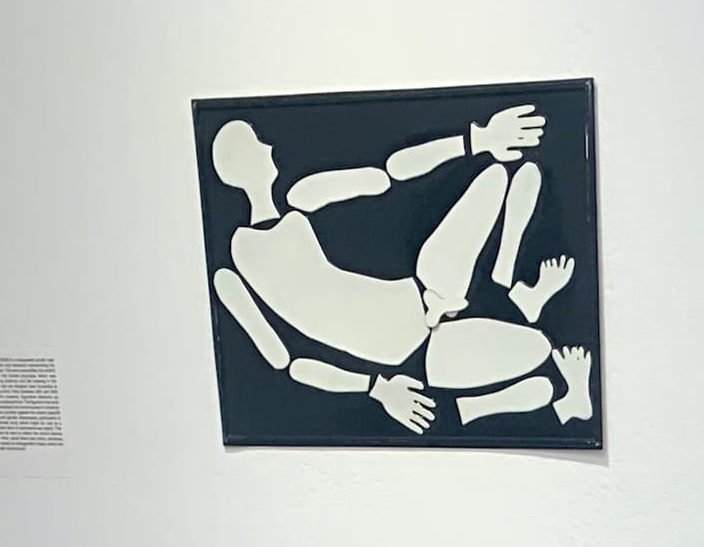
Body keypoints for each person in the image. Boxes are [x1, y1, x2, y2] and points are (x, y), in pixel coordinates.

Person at [207, 103, 591, 432]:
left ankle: (504, 272)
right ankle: (512, 292)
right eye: (256, 145)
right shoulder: (244, 260)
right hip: (414, 345)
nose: (269, 147)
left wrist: (478, 140)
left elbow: (388, 175)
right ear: (240, 166)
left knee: (494, 177)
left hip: (420, 294)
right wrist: (378, 389)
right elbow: (288, 362)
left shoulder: (263, 236)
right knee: (539, 348)